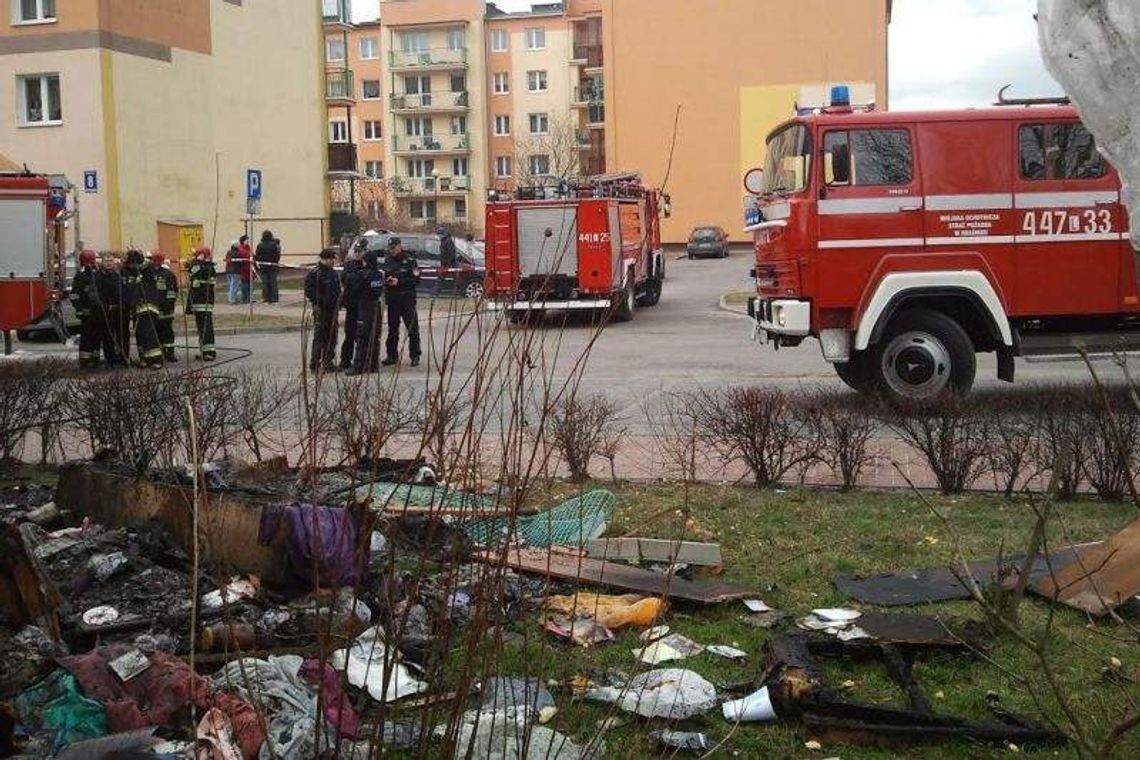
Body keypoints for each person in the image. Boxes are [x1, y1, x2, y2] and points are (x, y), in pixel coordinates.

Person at [382, 237, 421, 367]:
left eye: (393, 248)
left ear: (399, 246)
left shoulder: (410, 261)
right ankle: (391, 355)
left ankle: (415, 355)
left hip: (407, 299)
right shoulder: (388, 261)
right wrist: (387, 282)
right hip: (393, 300)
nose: (391, 251)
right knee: (393, 329)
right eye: (390, 248)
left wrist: (400, 282)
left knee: (412, 328)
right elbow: (384, 276)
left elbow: (416, 281)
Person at [347, 250, 385, 375]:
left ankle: (358, 366)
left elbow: (354, 289)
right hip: (376, 306)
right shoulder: (379, 275)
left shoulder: (362, 274)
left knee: (362, 337)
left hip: (365, 306)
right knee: (375, 337)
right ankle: (372, 365)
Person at [304, 248, 341, 372]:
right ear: (325, 259)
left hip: (333, 309)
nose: (333, 262)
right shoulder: (316, 273)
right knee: (320, 337)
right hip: (321, 309)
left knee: (332, 336)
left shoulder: (333, 273)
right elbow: (309, 291)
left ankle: (328, 362)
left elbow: (337, 290)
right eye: (331, 259)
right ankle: (315, 363)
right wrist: (320, 300)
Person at [70, 250, 102, 368]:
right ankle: (87, 360)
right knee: (89, 336)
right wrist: (81, 308)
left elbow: (74, 295)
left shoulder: (90, 274)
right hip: (89, 312)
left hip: (95, 312)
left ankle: (93, 358)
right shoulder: (83, 275)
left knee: (94, 336)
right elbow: (74, 295)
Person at [134, 253, 166, 368]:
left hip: (148, 308)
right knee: (142, 334)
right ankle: (147, 358)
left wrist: (138, 258)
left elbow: (145, 268)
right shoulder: (139, 276)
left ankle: (157, 359)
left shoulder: (149, 273)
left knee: (149, 333)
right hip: (140, 310)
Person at [95, 256, 127, 368]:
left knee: (122, 336)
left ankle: (123, 358)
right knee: (107, 337)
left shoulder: (117, 276)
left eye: (111, 261)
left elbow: (122, 292)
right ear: (101, 263)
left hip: (118, 311)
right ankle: (110, 361)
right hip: (105, 311)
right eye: (106, 261)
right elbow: (95, 294)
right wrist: (103, 306)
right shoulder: (97, 277)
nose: (108, 263)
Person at [187, 246, 217, 361]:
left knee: (206, 327)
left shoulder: (207, 268)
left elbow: (194, 269)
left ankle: (209, 352)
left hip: (203, 302)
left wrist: (199, 260)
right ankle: (205, 351)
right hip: (199, 302)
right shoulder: (202, 266)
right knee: (201, 328)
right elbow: (191, 269)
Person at [150, 251, 179, 362]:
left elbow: (173, 291)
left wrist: (168, 305)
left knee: (166, 332)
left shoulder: (168, 274)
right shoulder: (149, 274)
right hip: (155, 308)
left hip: (165, 309)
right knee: (160, 332)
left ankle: (169, 353)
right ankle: (162, 354)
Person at [339, 246, 364, 370]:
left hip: (364, 305)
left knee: (362, 336)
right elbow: (345, 280)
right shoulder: (349, 266)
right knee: (349, 334)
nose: (359, 254)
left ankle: (361, 361)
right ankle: (345, 361)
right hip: (352, 304)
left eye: (361, 252)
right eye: (357, 252)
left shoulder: (368, 265)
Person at [120, 250, 145, 365]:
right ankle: (124, 357)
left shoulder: (142, 272)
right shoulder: (122, 272)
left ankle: (143, 356)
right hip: (124, 305)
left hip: (138, 305)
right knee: (123, 332)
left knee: (140, 331)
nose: (133, 266)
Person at [255, 230, 281, 304]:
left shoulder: (260, 245)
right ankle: (274, 298)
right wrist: (275, 262)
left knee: (265, 283)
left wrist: (259, 262)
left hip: (263, 266)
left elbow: (257, 255)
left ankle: (266, 298)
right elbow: (277, 255)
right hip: (273, 266)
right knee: (273, 282)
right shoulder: (274, 245)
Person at [237, 235, 254, 304]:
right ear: (243, 241)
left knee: (250, 284)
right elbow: (243, 256)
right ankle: (245, 299)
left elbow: (252, 254)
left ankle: (250, 298)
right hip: (244, 269)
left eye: (248, 240)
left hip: (250, 269)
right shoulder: (241, 249)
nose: (247, 242)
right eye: (246, 240)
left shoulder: (248, 248)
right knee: (244, 285)